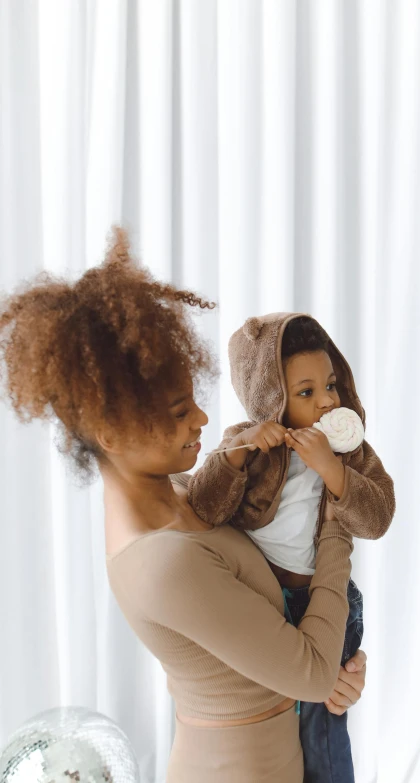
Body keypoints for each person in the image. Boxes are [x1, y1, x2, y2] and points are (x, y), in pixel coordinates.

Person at [0, 228, 366, 783]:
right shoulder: (162, 562)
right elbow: (310, 670)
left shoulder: (179, 495)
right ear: (111, 431)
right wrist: (339, 513)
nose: (200, 419)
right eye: (178, 411)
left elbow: (296, 660)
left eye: (193, 399)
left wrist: (340, 669)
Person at [188, 312, 396, 782]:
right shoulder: (247, 444)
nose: (326, 401)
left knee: (323, 730)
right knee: (275, 726)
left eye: (331, 385)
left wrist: (334, 470)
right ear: (272, 397)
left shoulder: (350, 451)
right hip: (263, 604)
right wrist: (240, 451)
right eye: (306, 393)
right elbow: (205, 507)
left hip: (321, 605)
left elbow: (378, 517)